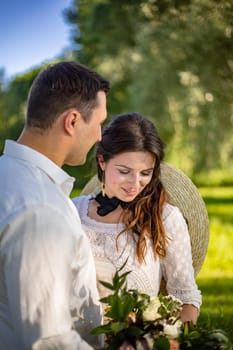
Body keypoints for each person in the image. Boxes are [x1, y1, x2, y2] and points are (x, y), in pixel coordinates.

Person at [0, 61, 110, 350]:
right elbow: (47, 339)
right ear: (72, 121)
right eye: (98, 123)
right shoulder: (40, 208)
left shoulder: (9, 176)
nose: (100, 136)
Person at [73, 112, 202, 327]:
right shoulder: (73, 212)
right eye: (125, 171)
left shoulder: (165, 218)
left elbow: (186, 299)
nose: (135, 183)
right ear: (102, 161)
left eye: (145, 173)